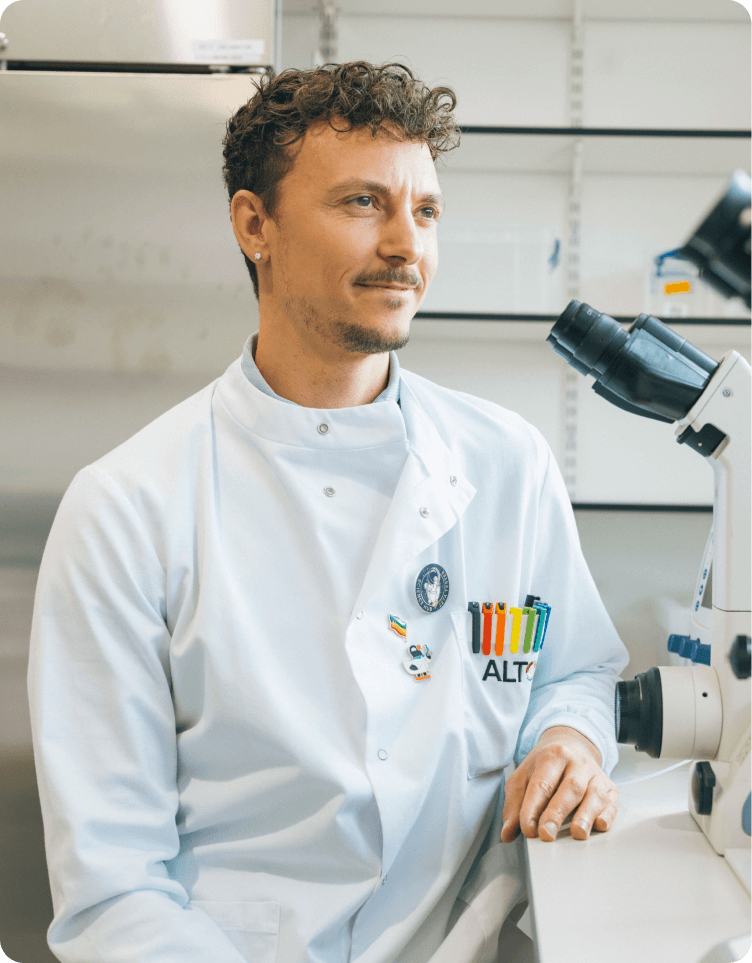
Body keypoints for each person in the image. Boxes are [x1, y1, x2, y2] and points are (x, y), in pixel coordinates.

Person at [28, 61, 629, 963]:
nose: (405, 246)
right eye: (362, 204)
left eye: (425, 211)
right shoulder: (127, 507)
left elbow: (574, 669)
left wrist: (570, 741)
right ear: (253, 224)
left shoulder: (506, 463)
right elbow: (113, 890)